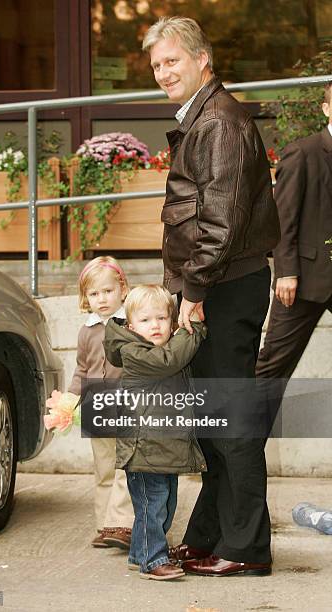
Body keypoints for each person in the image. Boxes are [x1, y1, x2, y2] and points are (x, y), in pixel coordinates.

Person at [142, 16, 280, 577]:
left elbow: (219, 223)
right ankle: (212, 534)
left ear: (203, 59)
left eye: (172, 60)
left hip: (223, 288)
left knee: (231, 423)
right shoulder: (204, 117)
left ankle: (246, 548)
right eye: (156, 65)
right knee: (213, 424)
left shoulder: (219, 123)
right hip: (215, 286)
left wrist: (192, 292)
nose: (162, 73)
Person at [104, 285, 207, 580]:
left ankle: (140, 553)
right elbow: (170, 361)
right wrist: (194, 328)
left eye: (162, 318)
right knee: (153, 506)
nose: (156, 325)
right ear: (131, 325)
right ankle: (153, 559)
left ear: (172, 320)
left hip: (162, 446)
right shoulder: (135, 353)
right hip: (144, 448)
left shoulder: (158, 347)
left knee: (163, 503)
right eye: (147, 320)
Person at [256, 82, 332, 383]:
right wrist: (286, 272)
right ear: (326, 109)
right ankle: (242, 432)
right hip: (303, 281)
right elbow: (282, 219)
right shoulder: (302, 153)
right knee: (272, 368)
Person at [69, 256, 134, 549]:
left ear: (122, 289)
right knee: (104, 469)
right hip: (98, 409)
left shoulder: (131, 323)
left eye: (107, 291)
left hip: (127, 407)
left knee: (126, 468)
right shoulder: (87, 331)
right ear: (86, 298)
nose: (102, 299)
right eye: (94, 294)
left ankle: (124, 525)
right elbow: (81, 370)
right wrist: (69, 401)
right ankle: (105, 525)